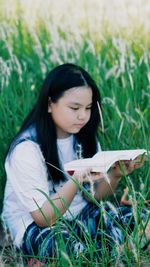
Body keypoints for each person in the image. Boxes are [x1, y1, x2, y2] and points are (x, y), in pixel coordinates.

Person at [1, 63, 149, 263]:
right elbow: (44, 218)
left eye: (88, 108)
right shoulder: (27, 149)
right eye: (74, 108)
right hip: (37, 225)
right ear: (49, 104)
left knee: (142, 215)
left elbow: (93, 196)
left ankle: (115, 248)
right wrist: (76, 179)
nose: (83, 116)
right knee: (65, 248)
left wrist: (115, 174)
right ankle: (124, 246)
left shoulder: (82, 136)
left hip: (80, 215)